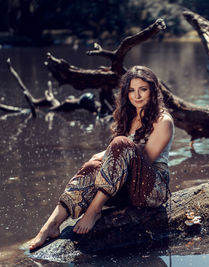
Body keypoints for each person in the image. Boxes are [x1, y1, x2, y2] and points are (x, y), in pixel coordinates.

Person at [29, 66, 174, 250]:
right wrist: (100, 162)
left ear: (152, 90)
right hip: (125, 186)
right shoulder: (129, 116)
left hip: (152, 189)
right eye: (131, 90)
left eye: (142, 89)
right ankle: (50, 225)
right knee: (91, 167)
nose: (137, 96)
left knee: (119, 144)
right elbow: (118, 161)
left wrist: (105, 154)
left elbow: (146, 157)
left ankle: (94, 210)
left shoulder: (163, 121)